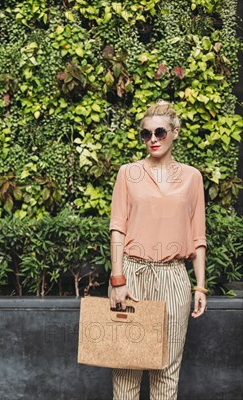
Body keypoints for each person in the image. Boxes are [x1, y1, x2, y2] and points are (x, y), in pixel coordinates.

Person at [108, 100, 207, 400]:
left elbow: (197, 235)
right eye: (146, 134)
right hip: (133, 275)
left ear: (175, 132)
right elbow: (117, 228)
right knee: (126, 370)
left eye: (160, 132)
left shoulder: (192, 177)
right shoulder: (128, 173)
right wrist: (117, 281)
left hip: (174, 278)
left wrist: (200, 286)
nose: (153, 139)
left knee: (166, 372)